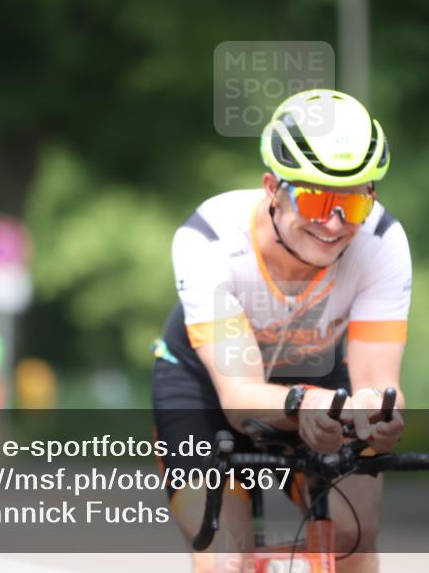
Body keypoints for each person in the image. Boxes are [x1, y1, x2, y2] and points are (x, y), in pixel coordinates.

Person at [152, 89, 410, 573]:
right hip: (206, 388)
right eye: (316, 199)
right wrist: (305, 404)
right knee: (227, 554)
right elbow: (239, 396)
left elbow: (377, 383)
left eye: (353, 205)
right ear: (272, 187)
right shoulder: (209, 238)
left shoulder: (380, 241)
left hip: (317, 379)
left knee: (354, 532)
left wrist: (379, 418)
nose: (333, 224)